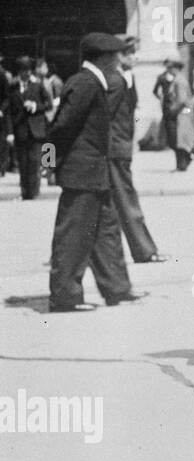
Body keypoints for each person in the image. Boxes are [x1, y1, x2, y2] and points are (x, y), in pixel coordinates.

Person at [45, 33, 142, 312]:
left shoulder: (92, 82)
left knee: (106, 232)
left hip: (95, 172)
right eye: (113, 56)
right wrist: (48, 164)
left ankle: (117, 288)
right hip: (81, 173)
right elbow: (59, 128)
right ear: (102, 58)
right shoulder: (84, 83)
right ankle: (64, 296)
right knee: (73, 236)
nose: (117, 61)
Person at [106, 39, 166, 264]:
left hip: (121, 147)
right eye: (130, 54)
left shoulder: (126, 79)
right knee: (126, 201)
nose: (135, 58)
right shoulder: (114, 81)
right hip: (115, 149)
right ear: (119, 56)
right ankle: (144, 250)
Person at [7, 56, 52, 199]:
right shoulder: (13, 88)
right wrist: (10, 132)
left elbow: (49, 104)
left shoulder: (37, 86)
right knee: (23, 163)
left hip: (36, 130)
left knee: (34, 162)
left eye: (27, 70)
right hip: (20, 130)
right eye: (22, 71)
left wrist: (35, 106)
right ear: (18, 72)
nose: (25, 74)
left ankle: (34, 192)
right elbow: (9, 111)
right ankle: (24, 192)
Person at [155, 58, 194, 171]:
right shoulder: (177, 80)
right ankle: (181, 164)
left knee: (178, 140)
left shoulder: (179, 81)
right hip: (180, 114)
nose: (168, 70)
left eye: (170, 68)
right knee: (177, 140)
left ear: (176, 68)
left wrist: (171, 112)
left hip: (180, 115)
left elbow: (182, 100)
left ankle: (184, 162)